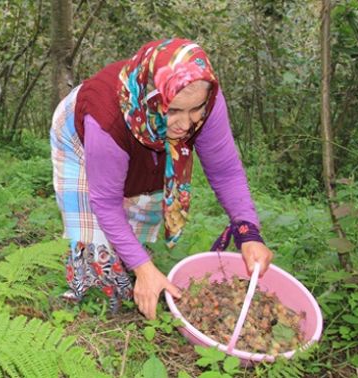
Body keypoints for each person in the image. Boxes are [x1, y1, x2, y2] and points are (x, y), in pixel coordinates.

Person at [50, 38, 274, 318]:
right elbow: (105, 203)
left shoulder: (205, 99)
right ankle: (96, 298)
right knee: (94, 247)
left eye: (196, 109)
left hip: (147, 143)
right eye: (174, 110)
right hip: (80, 138)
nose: (187, 124)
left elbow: (225, 171)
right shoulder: (106, 121)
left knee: (138, 215)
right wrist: (143, 268)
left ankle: (132, 263)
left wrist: (247, 230)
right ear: (150, 99)